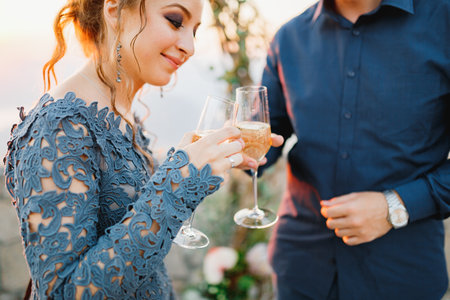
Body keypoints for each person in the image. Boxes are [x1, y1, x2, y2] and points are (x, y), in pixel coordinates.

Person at [2, 0, 284, 298]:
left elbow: (126, 216)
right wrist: (179, 182)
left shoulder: (121, 114)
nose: (189, 46)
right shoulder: (57, 128)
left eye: (195, 31)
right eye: (175, 20)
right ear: (115, 10)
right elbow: (64, 293)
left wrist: (200, 160)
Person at [260, 0, 450, 299]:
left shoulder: (443, 21)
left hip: (402, 277)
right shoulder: (289, 37)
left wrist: (396, 206)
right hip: (301, 270)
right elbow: (269, 134)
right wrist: (238, 152)